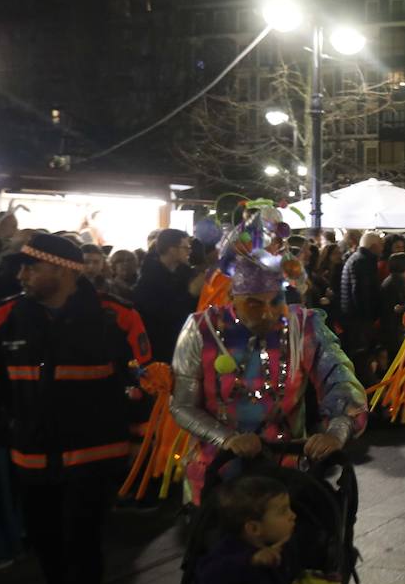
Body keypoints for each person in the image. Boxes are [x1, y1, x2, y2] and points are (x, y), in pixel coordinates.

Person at [0, 233, 154, 584]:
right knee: (48, 547)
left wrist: (137, 444)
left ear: (61, 269)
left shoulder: (118, 318)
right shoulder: (5, 317)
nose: (21, 275)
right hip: (31, 460)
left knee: (81, 544)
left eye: (29, 267)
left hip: (94, 458)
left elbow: (145, 385)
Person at [170, 209, 367, 506]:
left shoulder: (304, 325)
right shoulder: (201, 329)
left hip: (286, 478)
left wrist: (335, 432)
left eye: (275, 301)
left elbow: (340, 382)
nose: (268, 313)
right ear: (232, 298)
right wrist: (227, 439)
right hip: (218, 480)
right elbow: (182, 405)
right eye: (253, 303)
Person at [194, 475, 298, 584]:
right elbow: (207, 576)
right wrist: (251, 561)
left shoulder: (285, 545)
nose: (293, 515)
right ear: (254, 528)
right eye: (283, 511)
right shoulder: (228, 550)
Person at [134, 228, 198, 363]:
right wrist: (190, 294)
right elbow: (161, 315)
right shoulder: (147, 280)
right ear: (172, 249)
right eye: (185, 247)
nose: (189, 251)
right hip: (159, 349)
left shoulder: (187, 274)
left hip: (184, 345)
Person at [339, 232, 384, 380]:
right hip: (359, 321)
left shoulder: (355, 259)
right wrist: (370, 319)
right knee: (362, 360)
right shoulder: (364, 262)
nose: (383, 248)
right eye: (380, 245)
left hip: (353, 318)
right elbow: (362, 293)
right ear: (373, 246)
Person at [378, 252, 405, 365]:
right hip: (397, 330)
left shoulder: (390, 281)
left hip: (391, 330)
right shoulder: (397, 283)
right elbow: (403, 305)